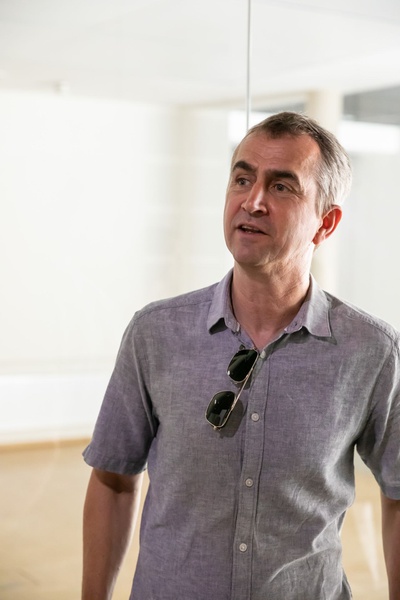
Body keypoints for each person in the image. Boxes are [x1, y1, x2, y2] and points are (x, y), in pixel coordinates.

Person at [82, 111, 400, 600]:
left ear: (326, 223)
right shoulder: (155, 333)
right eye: (242, 179)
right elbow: (112, 481)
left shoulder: (371, 351)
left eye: (282, 187)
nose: (252, 201)